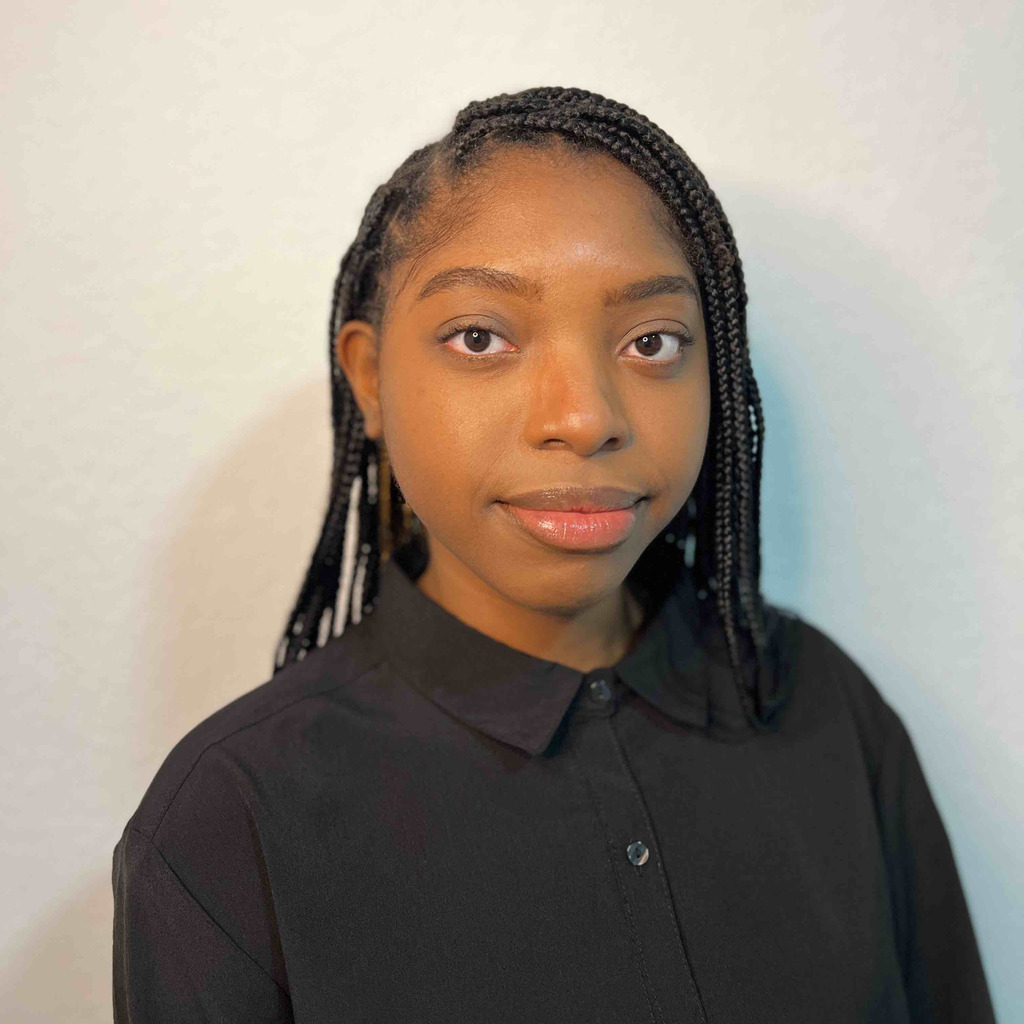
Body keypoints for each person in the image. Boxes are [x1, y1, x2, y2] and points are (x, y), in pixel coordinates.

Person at [111, 87, 995, 1022]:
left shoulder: (822, 709)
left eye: (652, 341)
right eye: (481, 337)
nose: (584, 418)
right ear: (370, 378)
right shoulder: (231, 821)